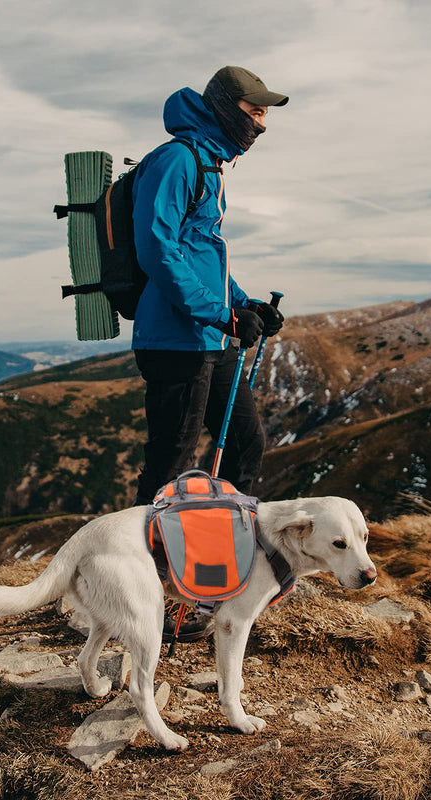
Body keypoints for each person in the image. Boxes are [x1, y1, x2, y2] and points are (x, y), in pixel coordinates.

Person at [130, 66, 288, 640]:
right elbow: (157, 251)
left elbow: (203, 256)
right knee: (171, 462)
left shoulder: (210, 164)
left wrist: (246, 304)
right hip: (175, 340)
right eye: (254, 111)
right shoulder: (177, 161)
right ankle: (144, 588)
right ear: (225, 106)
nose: (262, 124)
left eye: (265, 113)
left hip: (210, 337)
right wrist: (222, 313)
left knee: (248, 442)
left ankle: (224, 571)